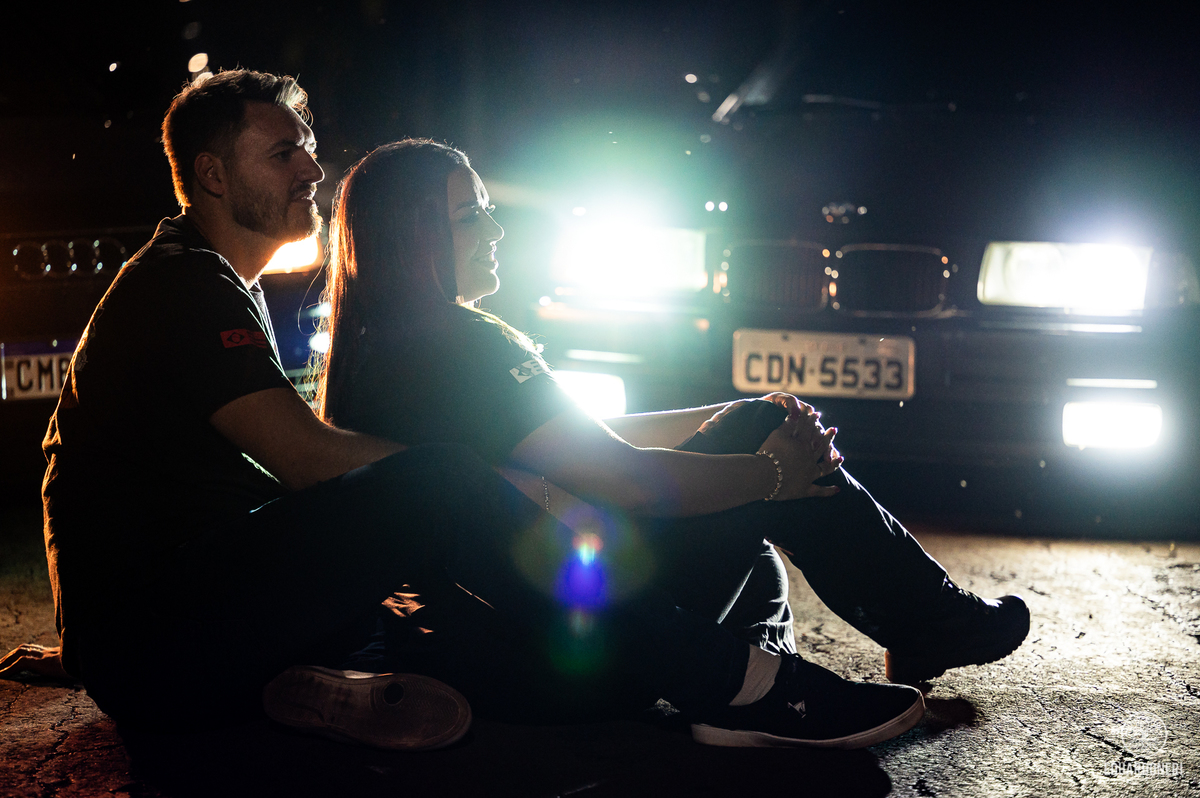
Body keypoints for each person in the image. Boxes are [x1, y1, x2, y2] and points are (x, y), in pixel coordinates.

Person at [37, 69, 927, 753]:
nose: (313, 164)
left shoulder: (209, 281)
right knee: (435, 481)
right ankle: (737, 681)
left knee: (433, 505)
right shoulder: (184, 289)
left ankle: (332, 682)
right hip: (163, 638)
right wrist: (498, 480)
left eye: (309, 143)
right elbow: (305, 461)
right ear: (212, 177)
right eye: (282, 152)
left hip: (183, 619)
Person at [315, 139, 1032, 744]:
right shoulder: (461, 344)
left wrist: (723, 412)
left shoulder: (382, 348)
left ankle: (903, 624)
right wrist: (768, 468)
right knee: (757, 452)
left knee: (754, 507)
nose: (495, 231)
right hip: (571, 640)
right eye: (471, 215)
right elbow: (623, 479)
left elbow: (572, 441)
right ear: (417, 236)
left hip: (509, 632)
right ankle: (923, 622)